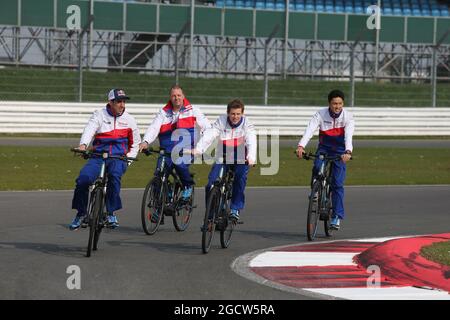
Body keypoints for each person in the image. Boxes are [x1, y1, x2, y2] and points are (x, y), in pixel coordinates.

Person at [69, 89, 141, 230]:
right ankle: (81, 213)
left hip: (118, 158)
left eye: (124, 101)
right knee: (83, 179)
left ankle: (110, 213)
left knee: (114, 176)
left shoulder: (129, 119)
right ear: (110, 102)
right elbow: (89, 129)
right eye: (119, 101)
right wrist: (83, 145)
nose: (122, 104)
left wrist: (128, 160)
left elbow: (136, 143)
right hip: (98, 157)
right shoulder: (99, 114)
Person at [138, 85, 211, 207]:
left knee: (179, 163)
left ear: (183, 96)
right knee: (159, 174)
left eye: (179, 95)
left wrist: (199, 148)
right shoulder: (163, 112)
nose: (176, 98)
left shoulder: (193, 111)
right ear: (170, 97)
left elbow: (208, 129)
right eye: (174, 96)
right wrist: (145, 141)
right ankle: (159, 207)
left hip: (186, 150)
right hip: (167, 150)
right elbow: (154, 128)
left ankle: (187, 186)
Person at [296, 89, 354, 230]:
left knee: (337, 184)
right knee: (317, 166)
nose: (337, 106)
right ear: (329, 103)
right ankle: (315, 190)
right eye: (334, 103)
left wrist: (348, 151)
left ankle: (336, 217)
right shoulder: (320, 114)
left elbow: (349, 136)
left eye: (340, 103)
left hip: (340, 152)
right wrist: (301, 146)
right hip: (324, 149)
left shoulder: (348, 117)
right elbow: (309, 130)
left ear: (343, 104)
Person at [193, 99, 257, 221]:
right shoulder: (221, 121)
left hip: (241, 158)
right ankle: (210, 217)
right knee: (210, 184)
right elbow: (210, 134)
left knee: (240, 178)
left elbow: (251, 140)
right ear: (228, 113)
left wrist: (251, 157)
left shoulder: (247, 124)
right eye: (233, 113)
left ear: (242, 113)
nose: (235, 117)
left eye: (238, 114)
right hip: (223, 157)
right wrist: (199, 149)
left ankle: (235, 208)